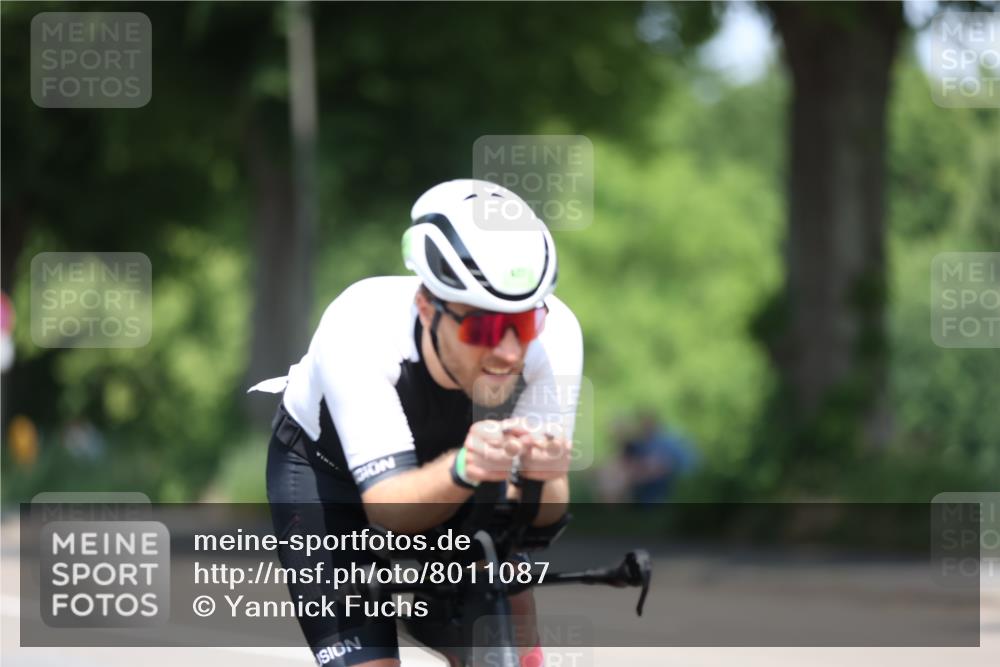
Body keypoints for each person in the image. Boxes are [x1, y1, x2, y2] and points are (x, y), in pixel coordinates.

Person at [250, 179, 583, 667]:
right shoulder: (360, 325)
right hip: (330, 483)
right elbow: (389, 511)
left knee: (505, 649)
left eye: (524, 324)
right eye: (484, 327)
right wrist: (467, 468)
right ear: (428, 306)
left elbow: (547, 513)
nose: (510, 350)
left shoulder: (555, 337)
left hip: (457, 481)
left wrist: (537, 478)